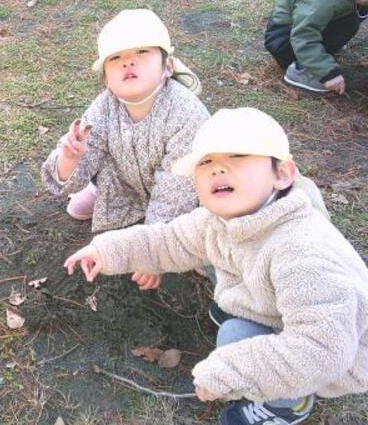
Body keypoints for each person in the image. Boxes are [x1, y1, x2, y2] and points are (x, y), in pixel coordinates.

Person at [64, 107, 368, 425]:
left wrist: (229, 371)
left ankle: (290, 403)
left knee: (234, 336)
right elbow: (168, 240)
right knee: (232, 315)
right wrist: (106, 250)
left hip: (340, 358)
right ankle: (249, 317)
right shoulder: (219, 220)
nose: (217, 169)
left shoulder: (302, 251)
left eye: (238, 155)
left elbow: (322, 349)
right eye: (206, 162)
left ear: (282, 174)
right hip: (282, 311)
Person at [41, 9, 209, 291]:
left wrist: (151, 254)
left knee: (201, 255)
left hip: (186, 193)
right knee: (87, 171)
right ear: (106, 77)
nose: (128, 62)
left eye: (142, 52)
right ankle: (103, 193)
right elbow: (88, 148)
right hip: (128, 182)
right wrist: (69, 158)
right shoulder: (105, 104)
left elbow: (175, 189)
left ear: (167, 66)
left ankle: (181, 237)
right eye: (116, 57)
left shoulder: (185, 112)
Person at [265, 0, 368, 94]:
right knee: (349, 23)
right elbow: (303, 37)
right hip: (285, 43)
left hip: (299, 29)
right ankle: (301, 70)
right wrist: (327, 72)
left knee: (353, 13)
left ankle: (319, 53)